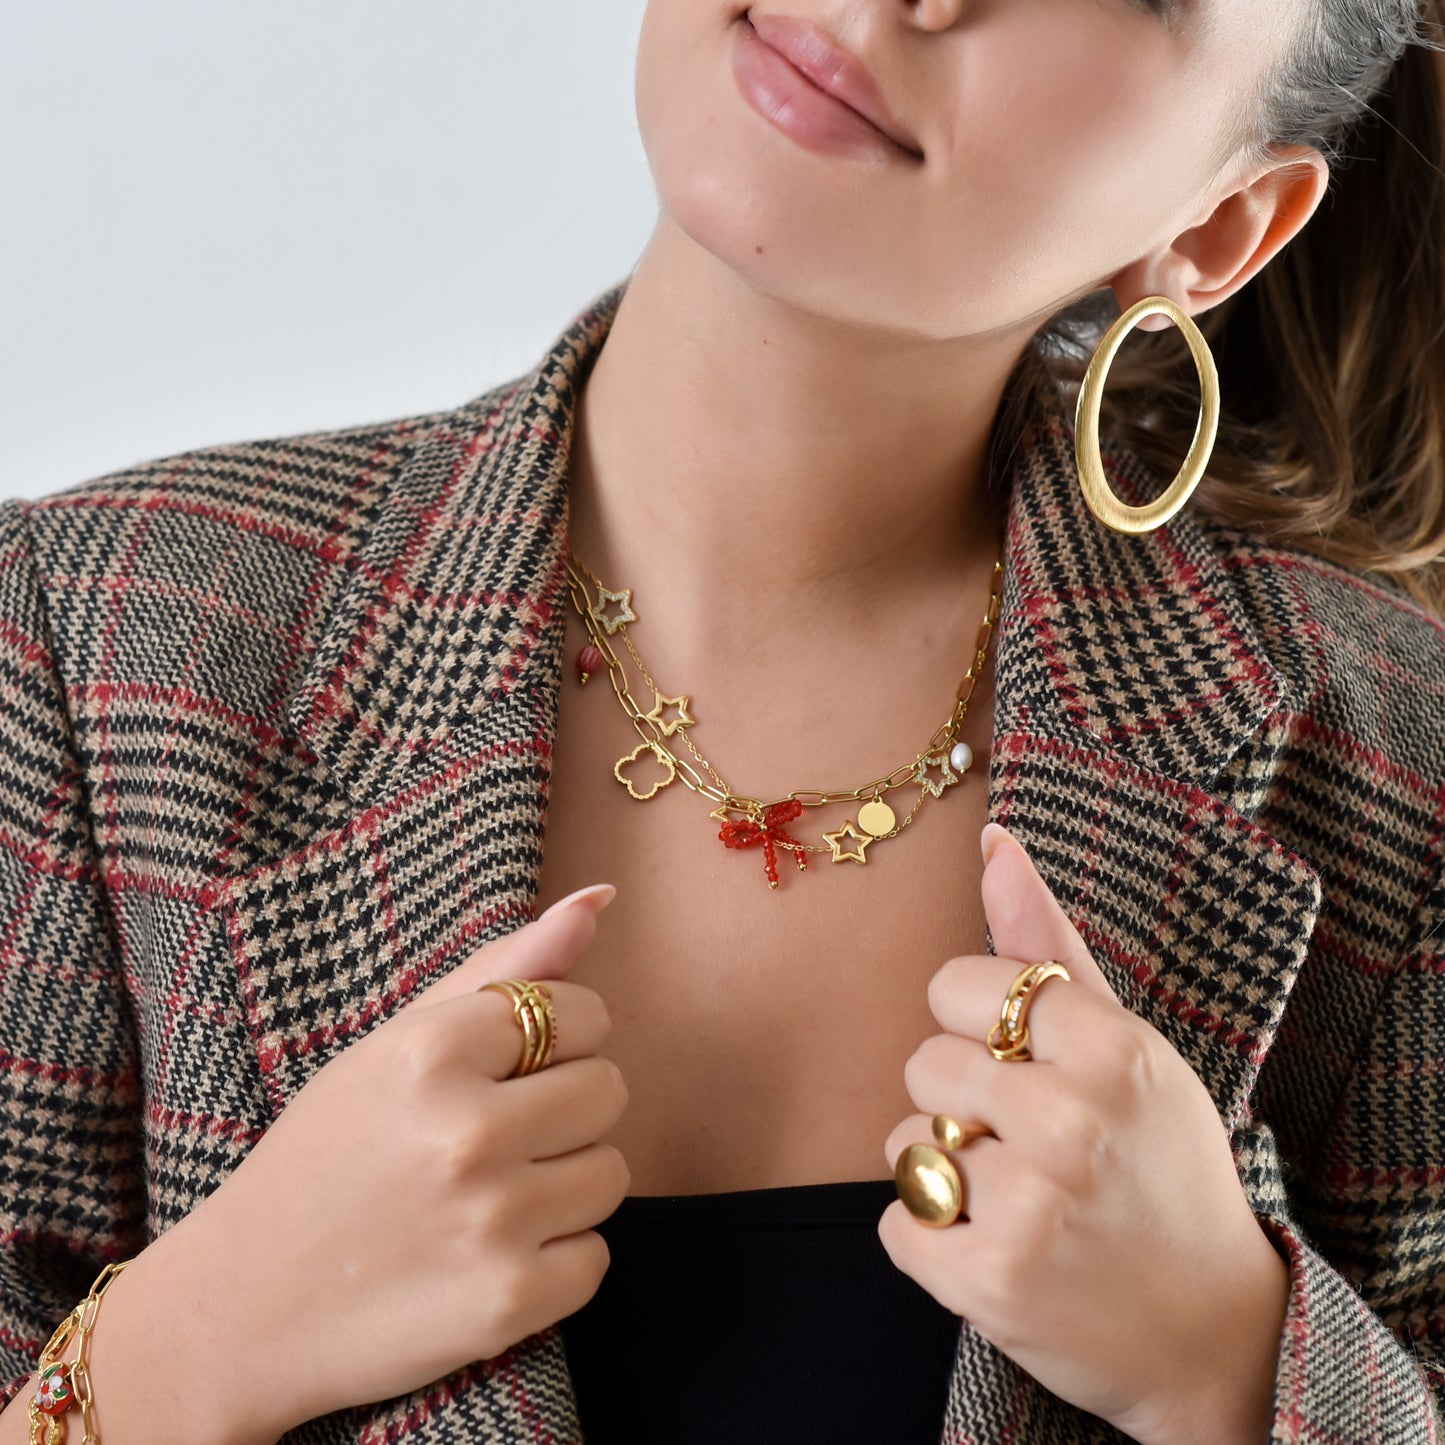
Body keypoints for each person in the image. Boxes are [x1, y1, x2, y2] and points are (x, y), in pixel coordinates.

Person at [1, 0, 1442, 1441]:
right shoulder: (88, 641)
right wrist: (195, 1350)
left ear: (1220, 228)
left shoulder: (1395, 781)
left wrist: (1230, 1363)